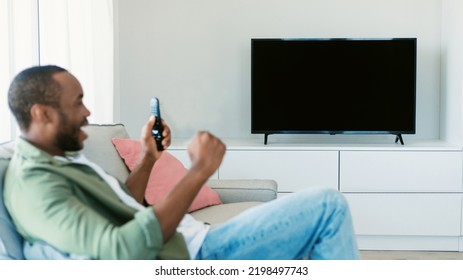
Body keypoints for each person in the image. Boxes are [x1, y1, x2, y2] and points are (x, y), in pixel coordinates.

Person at [4, 65, 360, 260]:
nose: (88, 112)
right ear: (43, 113)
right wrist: (199, 172)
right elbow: (121, 251)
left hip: (195, 239)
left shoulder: (62, 162)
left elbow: (125, 205)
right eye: (78, 102)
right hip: (196, 255)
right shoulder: (35, 185)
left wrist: (147, 158)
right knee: (327, 206)